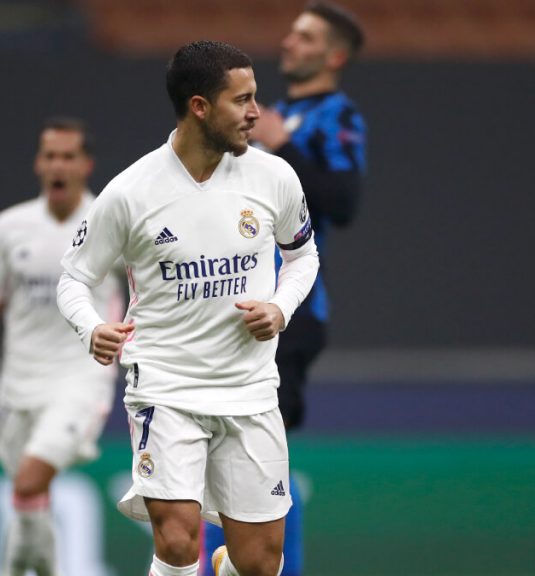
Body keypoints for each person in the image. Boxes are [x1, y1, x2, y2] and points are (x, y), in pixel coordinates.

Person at [56, 40, 319, 576]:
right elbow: (74, 278)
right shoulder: (131, 192)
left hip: (249, 390)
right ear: (199, 106)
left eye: (255, 97)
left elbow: (303, 255)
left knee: (259, 564)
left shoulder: (274, 177)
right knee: (178, 541)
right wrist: (91, 327)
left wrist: (280, 307)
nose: (256, 113)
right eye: (241, 100)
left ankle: (226, 565)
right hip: (166, 387)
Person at [202, 6, 367, 573]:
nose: (290, 42)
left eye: (306, 36)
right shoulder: (264, 114)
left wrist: (282, 145)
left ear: (334, 55)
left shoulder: (336, 116)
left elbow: (344, 202)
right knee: (216, 452)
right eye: (292, 32)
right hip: (228, 305)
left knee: (263, 459)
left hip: (286, 312)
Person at [0, 117, 121, 576]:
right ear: (39, 163)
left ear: (86, 165)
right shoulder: (10, 227)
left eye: (68, 156)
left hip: (81, 377)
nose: (58, 165)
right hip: (19, 383)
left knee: (29, 480)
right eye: (50, 156)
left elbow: (148, 289)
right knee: (28, 497)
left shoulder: (109, 222)